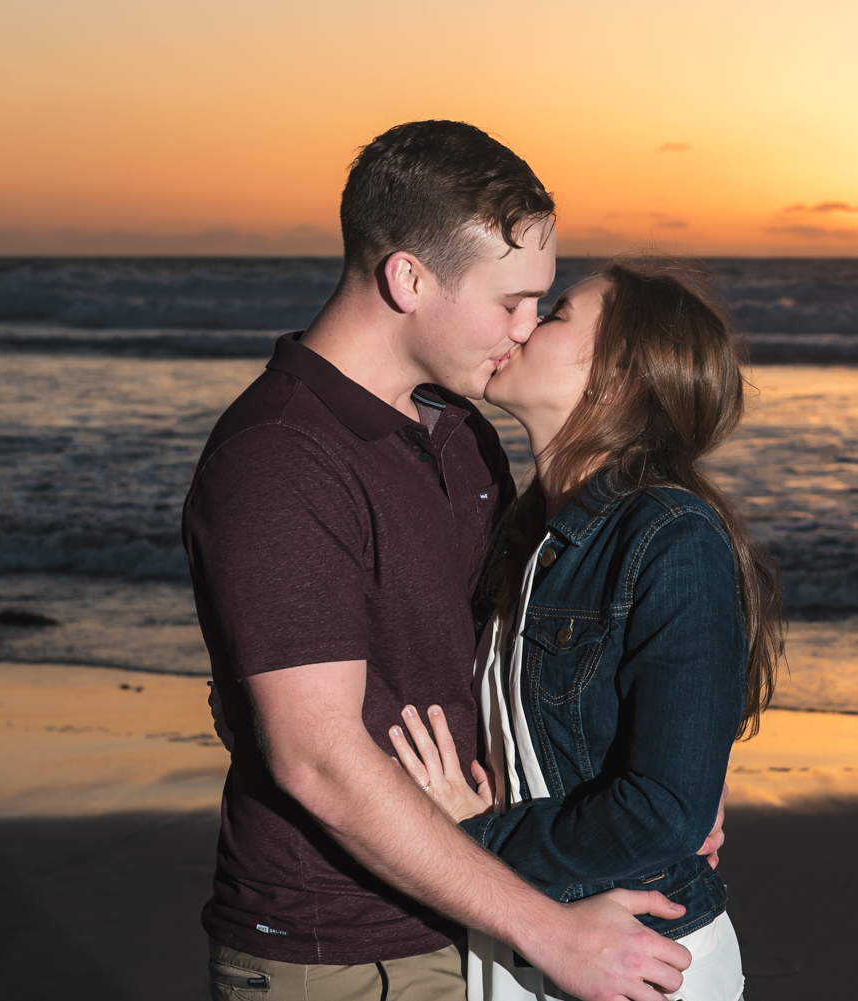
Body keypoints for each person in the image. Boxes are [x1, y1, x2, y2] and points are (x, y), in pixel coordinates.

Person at [183, 121, 699, 1001]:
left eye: (541, 300)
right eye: (511, 302)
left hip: (474, 907)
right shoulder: (279, 460)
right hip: (342, 947)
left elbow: (537, 644)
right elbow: (318, 761)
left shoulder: (460, 432)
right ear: (408, 279)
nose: (529, 327)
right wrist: (553, 932)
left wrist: (676, 776)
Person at [387, 262, 785, 1001]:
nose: (523, 321)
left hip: (640, 959)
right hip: (532, 939)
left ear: (616, 378)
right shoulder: (525, 534)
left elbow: (666, 812)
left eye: (557, 312)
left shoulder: (670, 535)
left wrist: (473, 841)